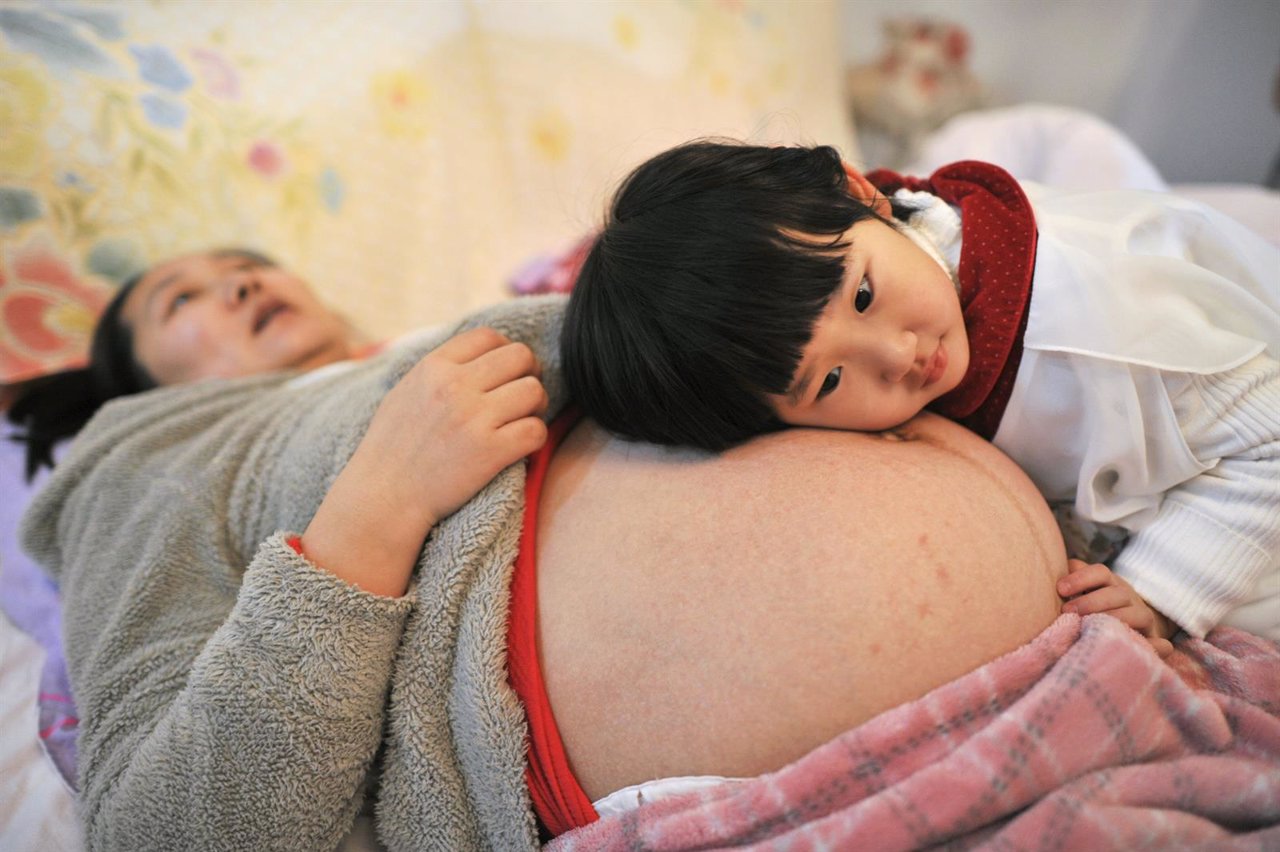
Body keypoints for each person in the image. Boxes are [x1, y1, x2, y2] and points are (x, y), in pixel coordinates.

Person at [12, 245, 1075, 848]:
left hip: (1078, 657)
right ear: (136, 380)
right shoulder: (153, 451)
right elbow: (177, 834)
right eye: (180, 298)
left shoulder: (478, 317)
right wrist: (381, 501)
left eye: (245, 263)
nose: (236, 282)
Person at [562, 140, 1280, 649]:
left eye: (865, 294)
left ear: (861, 193)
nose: (899, 355)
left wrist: (1162, 590)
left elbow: (1269, 436)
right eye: (830, 381)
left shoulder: (1090, 326)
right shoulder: (866, 249)